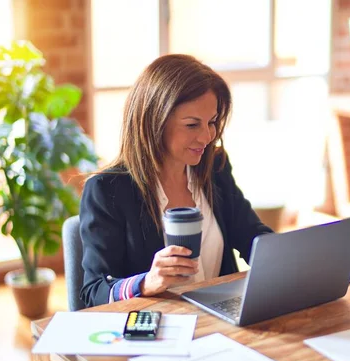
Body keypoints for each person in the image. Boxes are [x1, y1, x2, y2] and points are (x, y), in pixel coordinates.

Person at [79, 54, 273, 307]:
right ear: (154, 121)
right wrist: (147, 281)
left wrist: (287, 258)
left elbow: (252, 236)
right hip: (160, 328)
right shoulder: (108, 190)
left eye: (212, 122)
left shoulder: (215, 168)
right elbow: (93, 292)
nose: (207, 136)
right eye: (192, 125)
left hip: (223, 322)